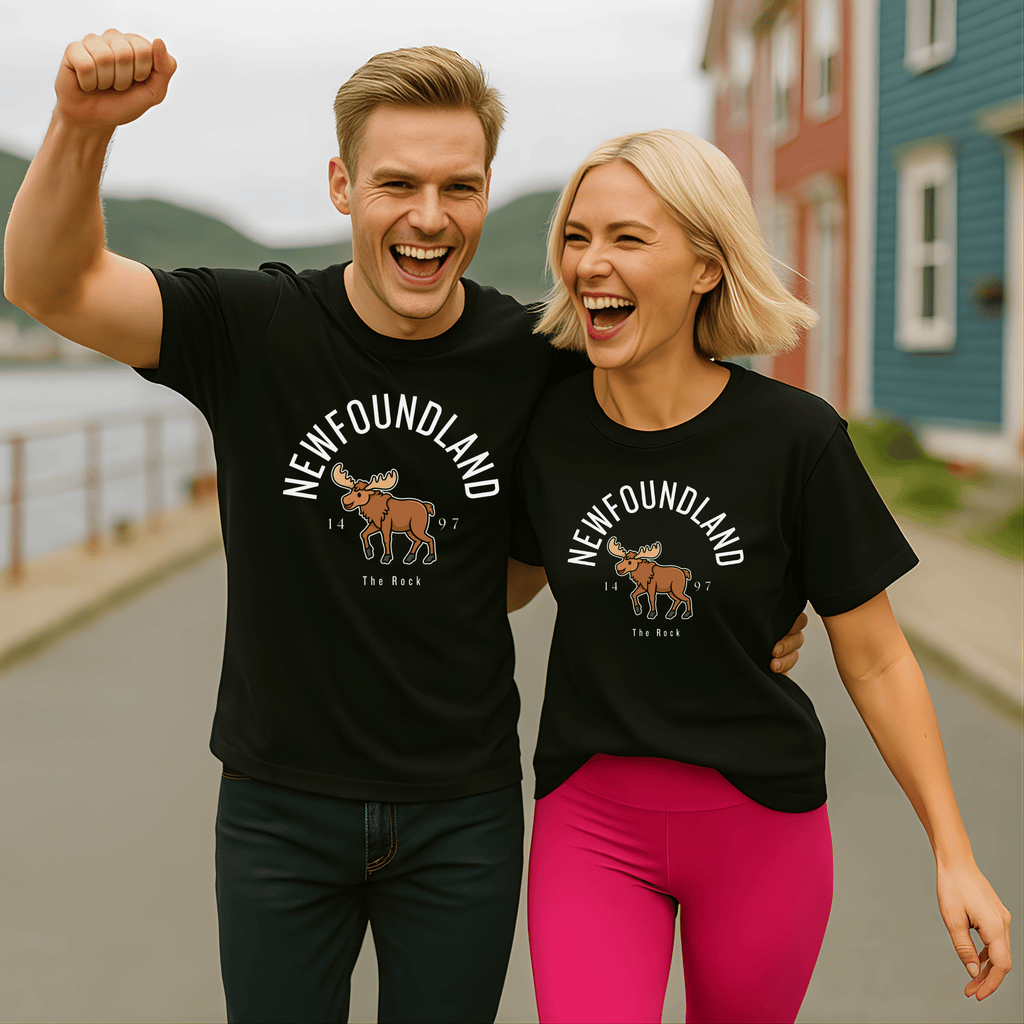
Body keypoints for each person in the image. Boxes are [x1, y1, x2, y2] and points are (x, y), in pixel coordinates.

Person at [3, 32, 808, 1024]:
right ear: (343, 186)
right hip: (277, 805)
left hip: (460, 812)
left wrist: (761, 595)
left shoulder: (539, 353)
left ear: (484, 191)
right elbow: (52, 287)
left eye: (459, 187)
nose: (429, 218)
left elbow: (679, 447)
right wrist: (82, 129)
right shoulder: (254, 327)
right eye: (397, 183)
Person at [508, 129, 1013, 1023]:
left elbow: (878, 658)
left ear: (706, 265)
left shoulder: (795, 438)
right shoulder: (543, 423)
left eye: (628, 238)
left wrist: (953, 851)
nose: (590, 263)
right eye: (577, 237)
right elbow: (509, 582)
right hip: (591, 818)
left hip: (759, 826)